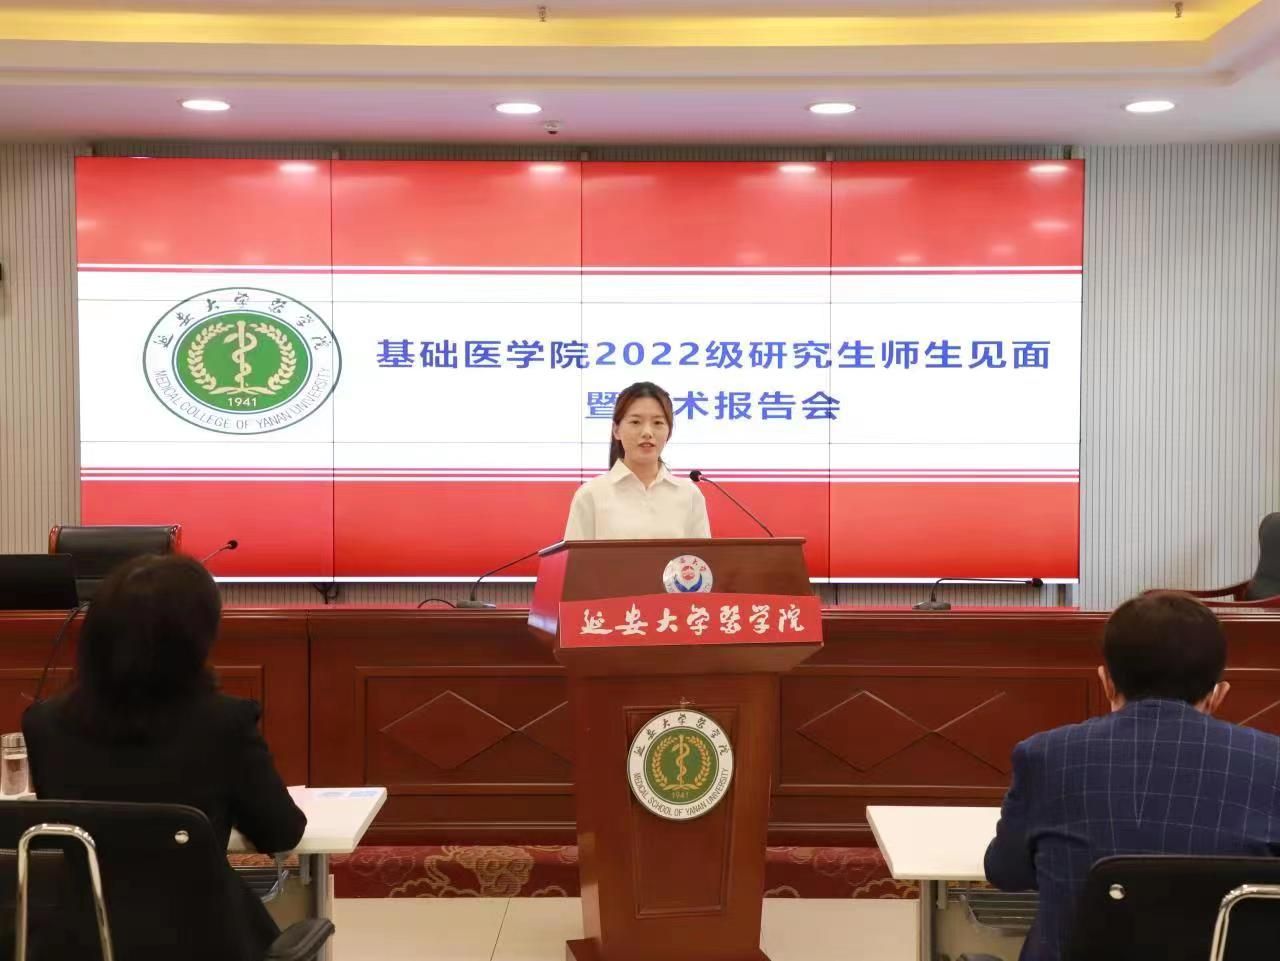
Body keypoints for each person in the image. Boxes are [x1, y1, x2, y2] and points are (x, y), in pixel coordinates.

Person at [22, 553, 306, 961]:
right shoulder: (223, 723)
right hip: (207, 942)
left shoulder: (44, 724)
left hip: (83, 941)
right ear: (195, 641)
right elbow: (281, 833)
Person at [984, 591, 1280, 961]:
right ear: (1218, 695)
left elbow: (1006, 872)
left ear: (1106, 682)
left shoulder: (1046, 755)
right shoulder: (1272, 763)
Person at [564, 381, 711, 540]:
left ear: (669, 432)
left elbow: (701, 555)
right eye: (635, 422)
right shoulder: (591, 495)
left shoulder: (689, 495)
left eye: (657, 423)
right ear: (616, 430)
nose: (647, 432)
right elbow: (576, 556)